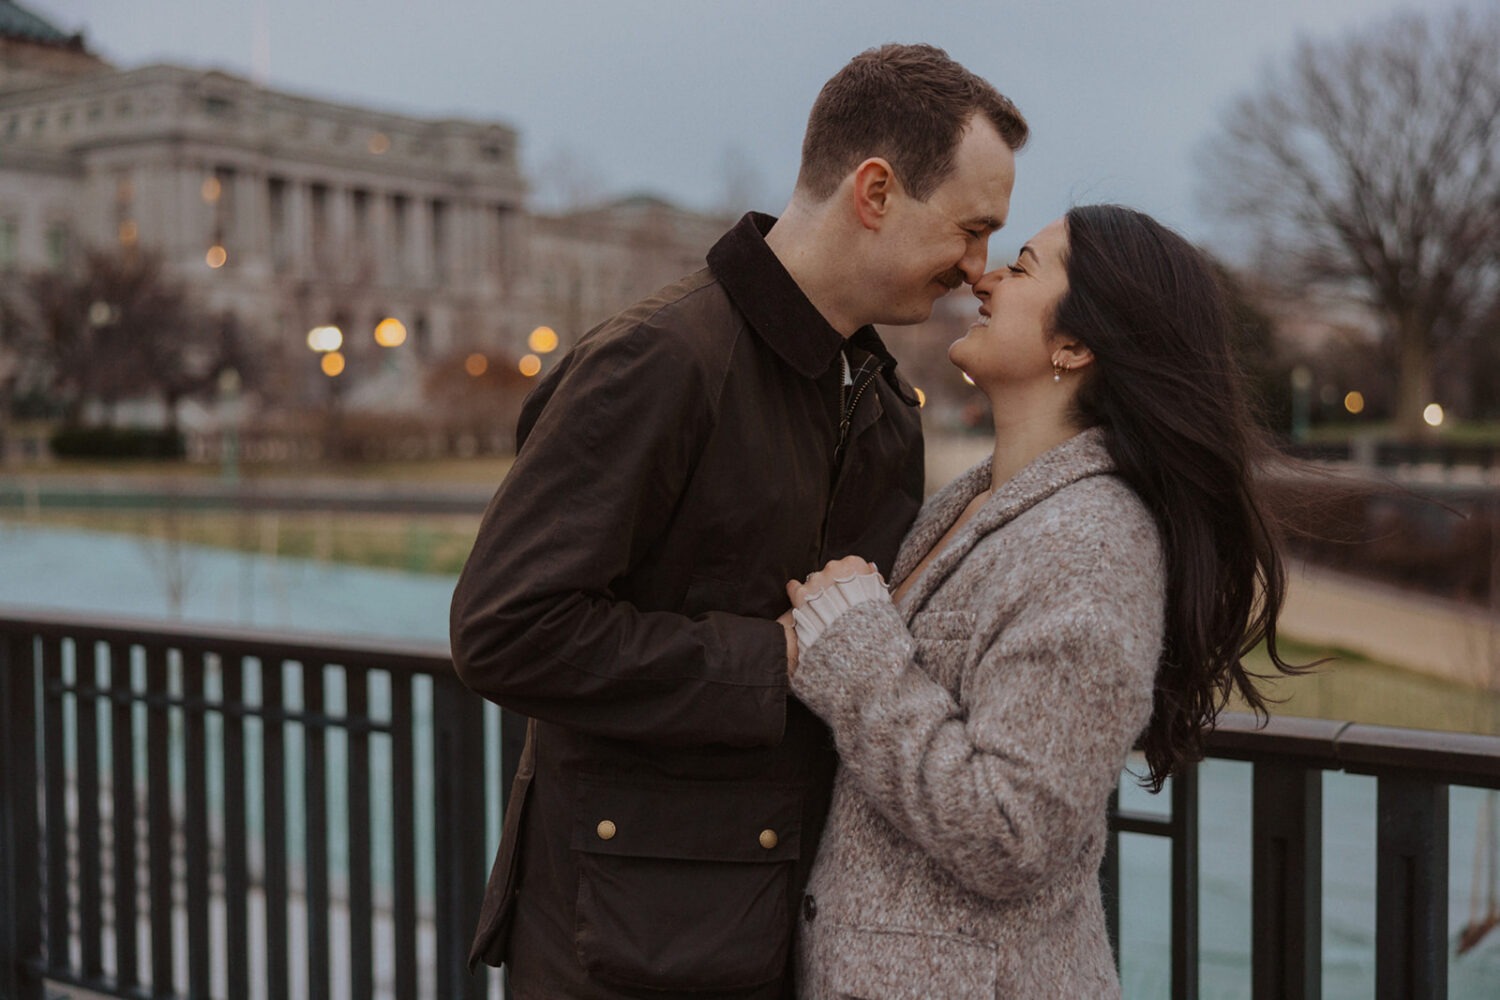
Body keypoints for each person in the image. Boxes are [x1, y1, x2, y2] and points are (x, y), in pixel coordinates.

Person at [449, 44, 1027, 999]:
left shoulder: (883, 407)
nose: (977, 269)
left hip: (783, 931)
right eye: (971, 229)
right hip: (624, 950)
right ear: (875, 191)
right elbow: (504, 630)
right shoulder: (658, 361)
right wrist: (783, 662)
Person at [785, 205, 1301, 999]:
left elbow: (1012, 835)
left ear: (1075, 343)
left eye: (1022, 267)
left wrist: (853, 656)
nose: (984, 277)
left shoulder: (1092, 545)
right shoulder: (977, 501)